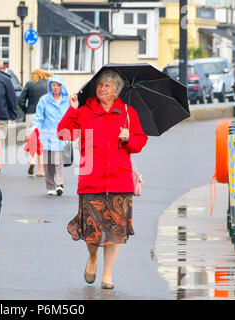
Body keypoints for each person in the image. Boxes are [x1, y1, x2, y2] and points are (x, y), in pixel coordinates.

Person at [57, 70, 148, 289]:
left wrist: (128, 139)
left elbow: (140, 142)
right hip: (91, 179)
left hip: (119, 180)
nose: (101, 89)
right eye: (99, 85)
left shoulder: (127, 112)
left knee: (114, 232)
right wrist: (72, 109)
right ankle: (93, 257)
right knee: (92, 232)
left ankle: (107, 274)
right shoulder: (86, 110)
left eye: (107, 85)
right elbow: (64, 133)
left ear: (117, 90)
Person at [32, 75, 69, 196]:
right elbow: (38, 116)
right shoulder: (44, 100)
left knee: (59, 160)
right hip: (47, 134)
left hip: (62, 134)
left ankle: (59, 184)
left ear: (61, 87)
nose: (56, 87)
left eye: (58, 85)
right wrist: (35, 128)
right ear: (50, 86)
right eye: (53, 85)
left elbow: (73, 114)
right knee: (49, 163)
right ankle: (51, 186)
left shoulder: (67, 99)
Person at [19, 69, 52, 177]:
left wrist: (26, 111)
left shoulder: (30, 84)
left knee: (32, 140)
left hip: (31, 114)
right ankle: (41, 170)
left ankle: (32, 161)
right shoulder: (49, 85)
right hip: (45, 116)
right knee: (42, 142)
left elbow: (21, 101)